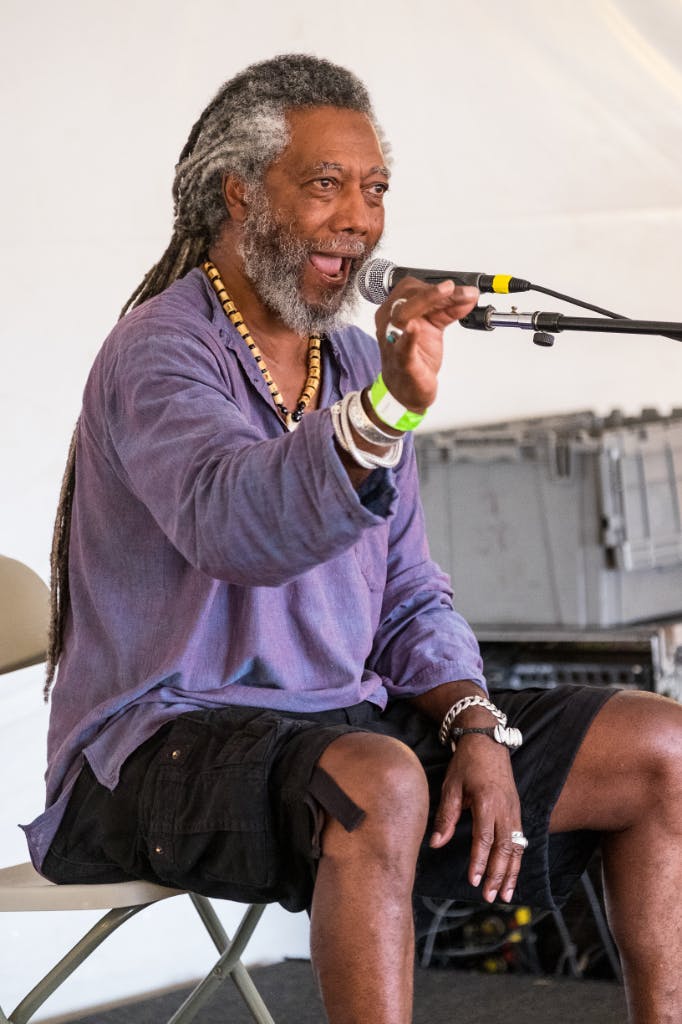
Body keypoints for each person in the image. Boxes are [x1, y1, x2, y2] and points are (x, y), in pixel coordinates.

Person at [25, 54, 682, 1024]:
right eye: (325, 184)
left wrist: (473, 720)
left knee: (658, 745)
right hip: (152, 749)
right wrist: (381, 414)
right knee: (378, 779)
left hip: (333, 727)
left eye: (374, 189)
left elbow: (408, 594)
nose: (359, 217)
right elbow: (234, 524)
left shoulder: (352, 363)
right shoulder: (160, 351)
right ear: (239, 194)